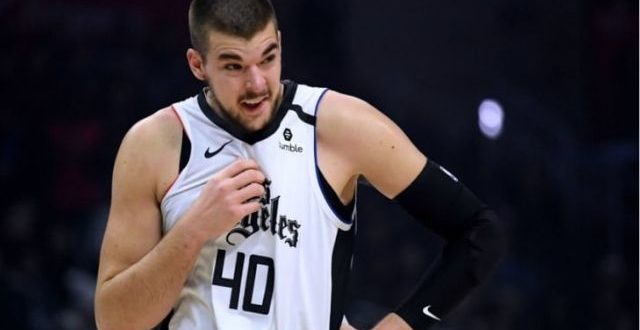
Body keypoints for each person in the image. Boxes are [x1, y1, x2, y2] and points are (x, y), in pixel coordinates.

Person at [94, 0, 505, 329]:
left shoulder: (339, 126)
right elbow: (115, 322)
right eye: (234, 66)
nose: (256, 83)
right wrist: (195, 228)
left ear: (280, 44)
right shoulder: (155, 143)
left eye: (267, 58)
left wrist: (399, 326)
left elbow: (480, 233)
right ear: (197, 64)